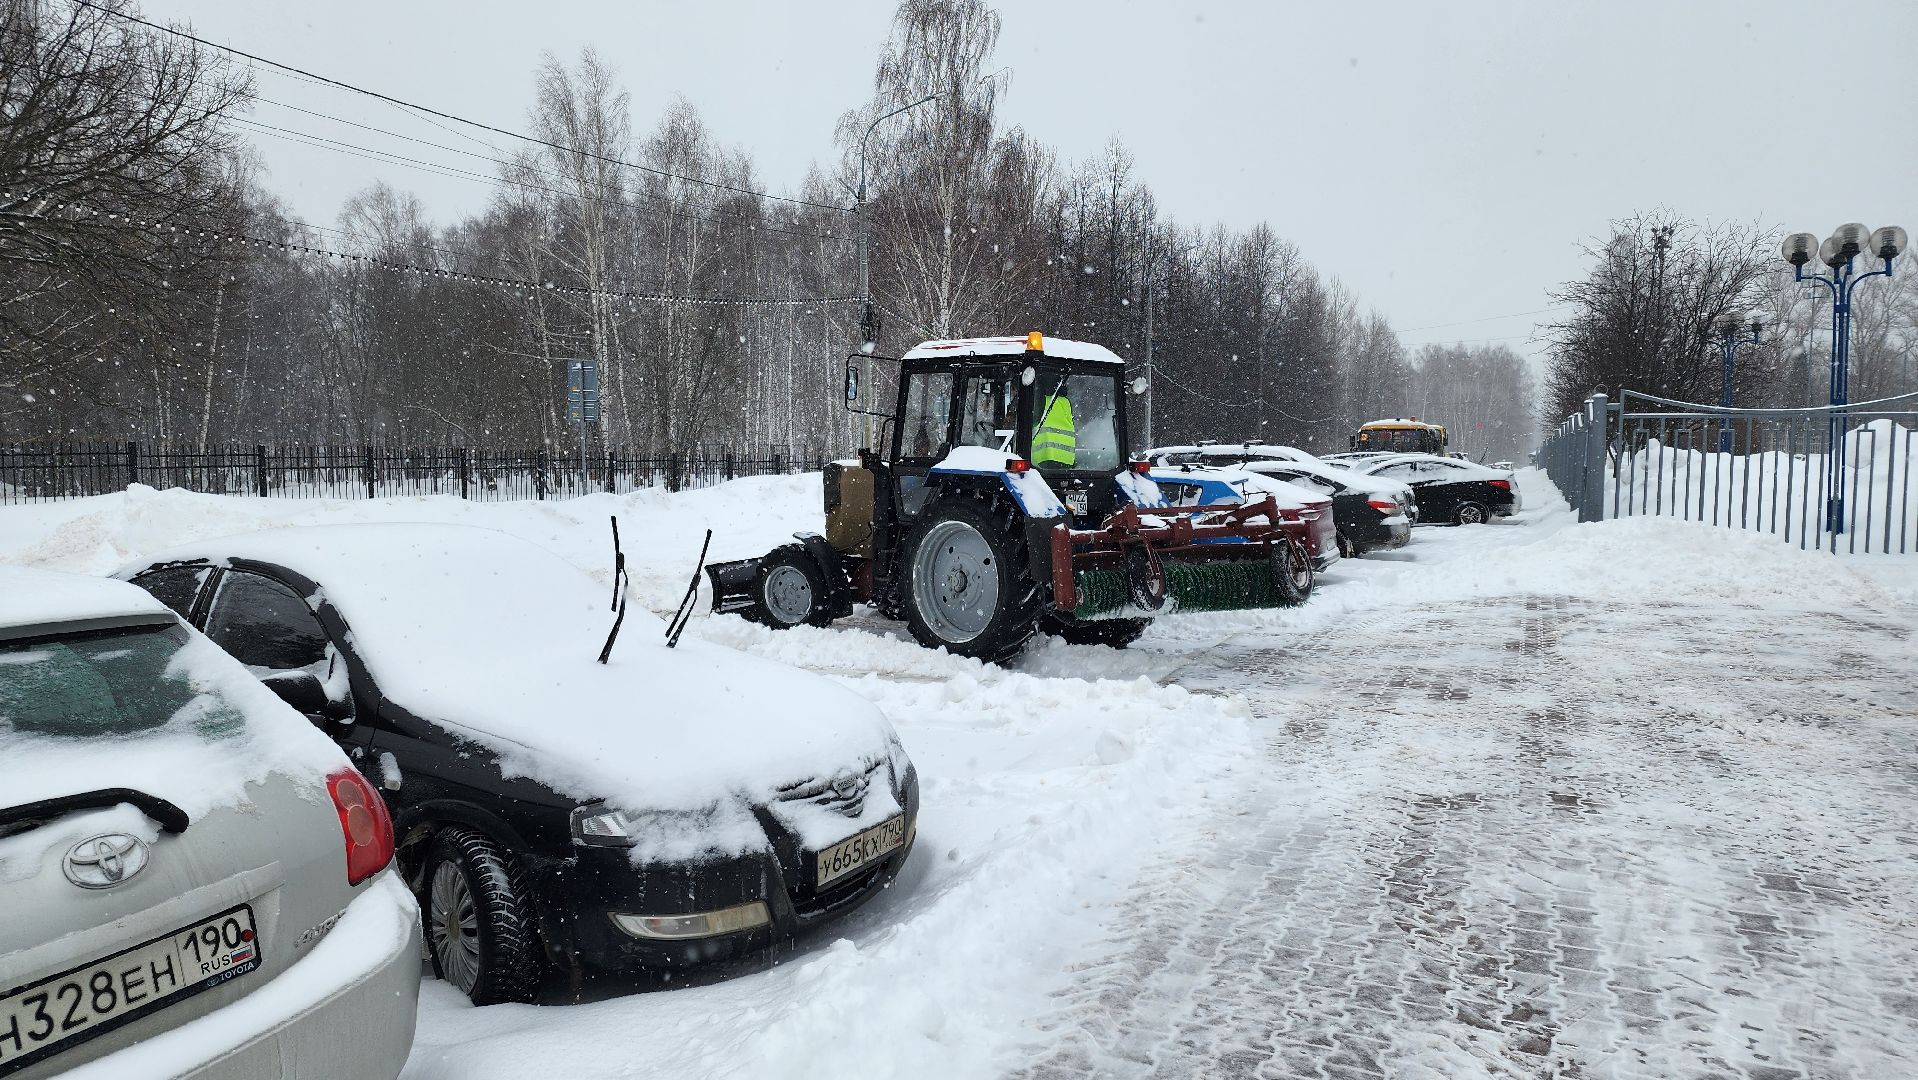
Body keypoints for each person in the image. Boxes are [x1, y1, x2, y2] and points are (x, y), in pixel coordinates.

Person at [1032, 388, 1076, 468]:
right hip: (1067, 458)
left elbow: (1030, 423)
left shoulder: (1040, 400)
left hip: (1045, 456)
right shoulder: (1066, 402)